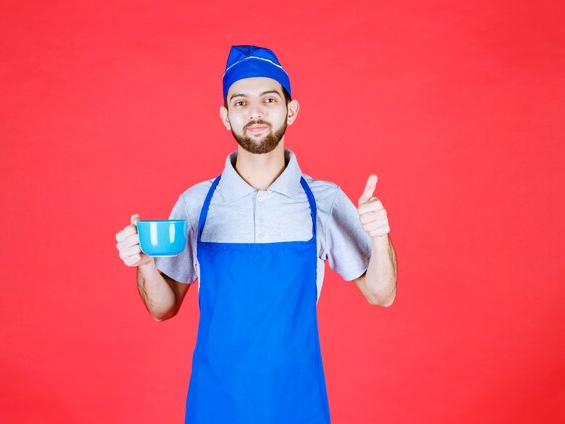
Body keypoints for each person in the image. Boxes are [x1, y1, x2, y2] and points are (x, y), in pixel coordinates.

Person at [115, 45, 397, 424]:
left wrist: (380, 235)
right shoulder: (196, 203)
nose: (255, 112)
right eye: (241, 103)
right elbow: (162, 308)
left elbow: (382, 294)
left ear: (290, 110)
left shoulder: (323, 201)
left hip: (298, 404)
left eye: (268, 99)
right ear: (225, 116)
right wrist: (147, 264)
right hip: (214, 404)